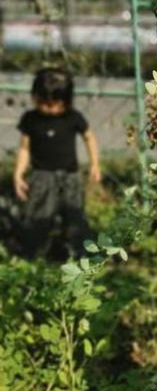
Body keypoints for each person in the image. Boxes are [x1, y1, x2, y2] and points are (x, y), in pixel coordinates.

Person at [13, 67, 101, 258]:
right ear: (35, 97)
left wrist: (94, 163)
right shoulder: (30, 119)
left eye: (54, 104)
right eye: (43, 103)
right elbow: (24, 148)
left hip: (70, 176)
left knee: (75, 215)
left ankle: (80, 253)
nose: (49, 108)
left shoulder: (73, 118)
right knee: (38, 217)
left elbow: (89, 137)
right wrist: (19, 173)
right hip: (41, 177)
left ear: (66, 101)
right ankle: (32, 253)